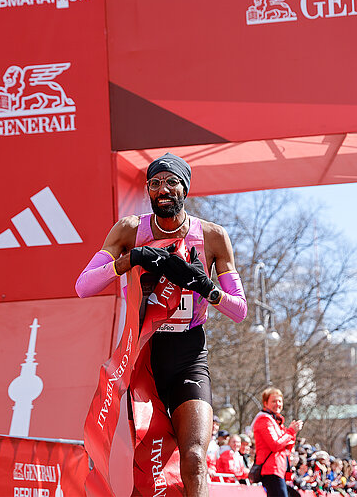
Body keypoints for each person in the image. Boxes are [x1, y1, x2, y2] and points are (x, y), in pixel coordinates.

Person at [75, 152, 247, 497]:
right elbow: (83, 285)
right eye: (154, 183)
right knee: (149, 465)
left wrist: (205, 287)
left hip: (188, 355)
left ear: (185, 188)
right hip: (143, 357)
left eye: (171, 182)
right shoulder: (128, 230)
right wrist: (131, 260)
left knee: (195, 457)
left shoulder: (212, 237)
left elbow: (239, 310)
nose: (162, 189)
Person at [252, 387, 303, 497]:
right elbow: (275, 445)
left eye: (279, 401)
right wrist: (291, 431)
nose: (277, 404)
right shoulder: (264, 419)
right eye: (273, 401)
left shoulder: (275, 421)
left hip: (279, 469)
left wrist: (292, 433)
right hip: (270, 469)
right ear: (265, 403)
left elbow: (288, 448)